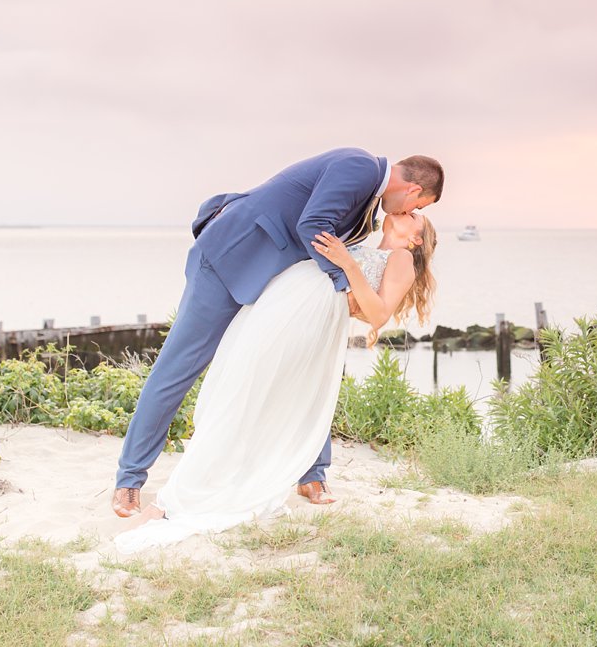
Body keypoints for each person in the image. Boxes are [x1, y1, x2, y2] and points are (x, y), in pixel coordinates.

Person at [111, 148, 443, 518]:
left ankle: (311, 474)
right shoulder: (360, 167)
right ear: (413, 191)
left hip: (276, 288)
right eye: (420, 206)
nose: (408, 214)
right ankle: (130, 480)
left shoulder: (368, 214)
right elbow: (312, 224)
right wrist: (343, 284)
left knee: (306, 372)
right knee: (177, 368)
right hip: (227, 262)